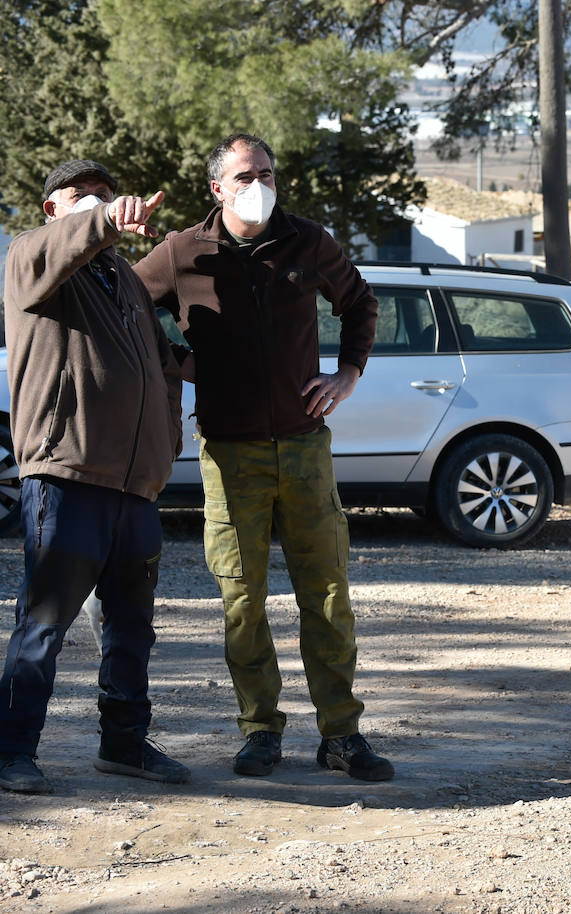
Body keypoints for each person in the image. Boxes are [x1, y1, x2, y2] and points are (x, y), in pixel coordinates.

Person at [134, 133, 392, 782]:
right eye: (247, 175)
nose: (262, 184)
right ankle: (260, 732)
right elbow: (128, 305)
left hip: (305, 449)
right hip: (229, 453)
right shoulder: (183, 251)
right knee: (243, 602)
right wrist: (177, 362)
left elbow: (360, 303)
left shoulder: (309, 241)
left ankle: (341, 735)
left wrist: (347, 374)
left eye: (269, 173)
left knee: (328, 597)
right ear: (218, 187)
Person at [0, 160, 186, 793]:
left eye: (103, 195)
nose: (95, 203)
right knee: (44, 622)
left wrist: (165, 449)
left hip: (134, 484)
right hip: (66, 472)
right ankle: (12, 750)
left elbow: (164, 367)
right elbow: (62, 244)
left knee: (133, 624)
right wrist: (104, 218)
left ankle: (125, 745)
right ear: (52, 208)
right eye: (79, 196)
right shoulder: (32, 257)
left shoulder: (127, 282)